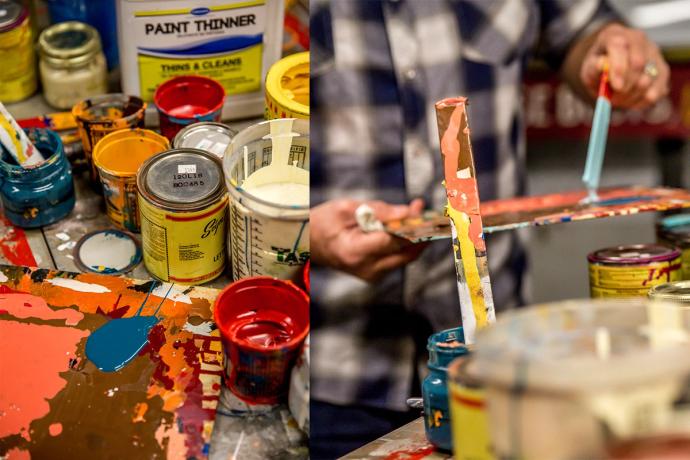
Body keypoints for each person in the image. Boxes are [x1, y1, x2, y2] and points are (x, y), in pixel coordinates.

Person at [309, 1, 670, 457]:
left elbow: (584, 33)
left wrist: (614, 54)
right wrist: (306, 235)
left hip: (502, 361)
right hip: (333, 371)